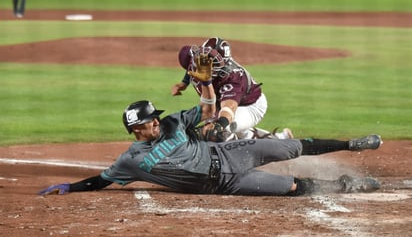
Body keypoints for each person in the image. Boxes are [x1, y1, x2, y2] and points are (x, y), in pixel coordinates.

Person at [39, 52, 383, 197]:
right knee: (291, 188)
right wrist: (72, 187)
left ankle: (351, 143)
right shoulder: (131, 160)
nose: (156, 123)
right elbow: (103, 180)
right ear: (136, 130)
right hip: (227, 184)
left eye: (155, 118)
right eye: (149, 122)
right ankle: (347, 186)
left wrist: (204, 85)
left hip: (233, 153)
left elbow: (205, 111)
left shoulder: (173, 123)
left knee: (290, 147)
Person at [171, 37, 292, 142]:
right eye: (204, 59)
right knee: (241, 134)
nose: (205, 65)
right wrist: (184, 83)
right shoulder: (194, 57)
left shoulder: (232, 78)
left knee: (220, 131)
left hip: (250, 105)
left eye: (211, 63)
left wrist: (219, 125)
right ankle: (281, 138)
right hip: (224, 102)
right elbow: (191, 67)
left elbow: (229, 108)